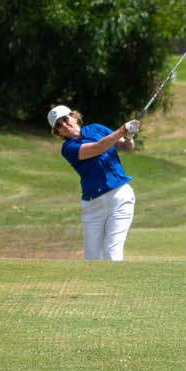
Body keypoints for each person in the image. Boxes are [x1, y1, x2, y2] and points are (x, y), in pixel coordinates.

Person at [48, 104, 139, 261]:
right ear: (58, 132)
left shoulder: (96, 128)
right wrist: (123, 130)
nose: (64, 125)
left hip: (120, 197)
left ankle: (115, 286)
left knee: (112, 253)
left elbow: (126, 146)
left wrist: (129, 135)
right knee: (91, 259)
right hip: (92, 204)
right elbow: (97, 148)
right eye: (58, 125)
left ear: (74, 116)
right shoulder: (68, 148)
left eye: (64, 119)